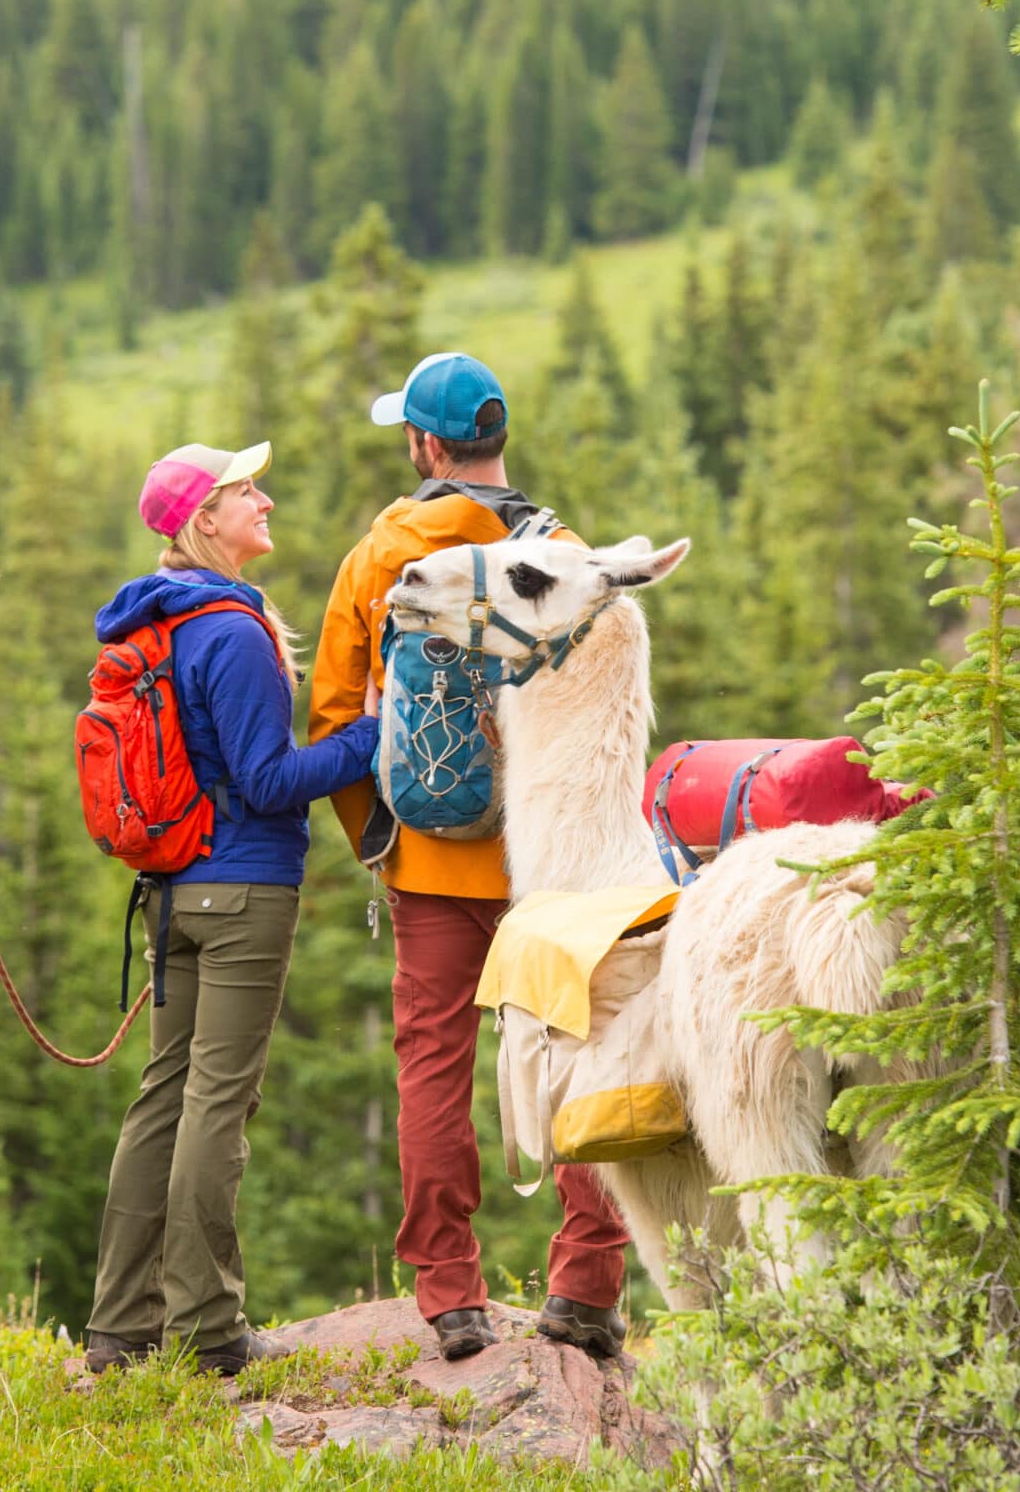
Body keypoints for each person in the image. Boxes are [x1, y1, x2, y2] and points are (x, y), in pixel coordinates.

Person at [308, 353, 634, 1361]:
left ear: (426, 445)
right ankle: (585, 1286)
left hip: (432, 867)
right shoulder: (560, 552)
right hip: (554, 872)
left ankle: (450, 1291)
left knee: (435, 1062)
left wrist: (380, 835)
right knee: (573, 1054)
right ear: (497, 439)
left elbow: (331, 715)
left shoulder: (379, 560)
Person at [84, 442, 382, 1377]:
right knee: (217, 1104)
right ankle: (210, 1331)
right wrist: (376, 737)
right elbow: (267, 780)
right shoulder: (233, 632)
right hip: (247, 890)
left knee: (161, 1100)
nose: (267, 497)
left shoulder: (160, 625)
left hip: (175, 891)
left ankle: (118, 1328)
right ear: (202, 521)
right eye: (245, 489)